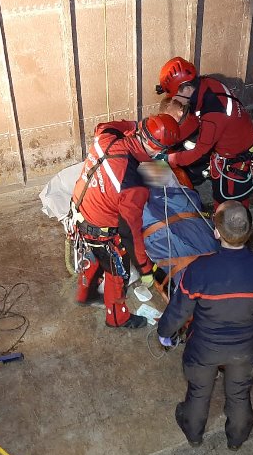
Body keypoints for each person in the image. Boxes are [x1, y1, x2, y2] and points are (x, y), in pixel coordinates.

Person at [156, 201, 253, 449]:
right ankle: (236, 440)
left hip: (204, 349)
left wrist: (165, 333)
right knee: (239, 395)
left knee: (198, 393)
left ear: (216, 232)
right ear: (251, 230)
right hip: (246, 348)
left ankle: (194, 435)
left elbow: (179, 310)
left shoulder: (199, 270)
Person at [70, 114, 180, 328]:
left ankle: (85, 293)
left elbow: (103, 125)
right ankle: (117, 318)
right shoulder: (133, 186)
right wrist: (146, 269)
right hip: (101, 229)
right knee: (117, 273)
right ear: (158, 150)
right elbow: (130, 232)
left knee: (93, 255)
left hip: (81, 209)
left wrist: (136, 125)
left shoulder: (108, 135)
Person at [156, 57, 253, 209]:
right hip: (235, 144)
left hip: (235, 160)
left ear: (187, 89)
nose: (175, 99)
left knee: (228, 205)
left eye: (175, 95)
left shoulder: (213, 113)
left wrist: (169, 159)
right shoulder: (205, 86)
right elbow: (194, 120)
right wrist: (169, 139)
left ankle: (229, 230)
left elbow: (199, 152)